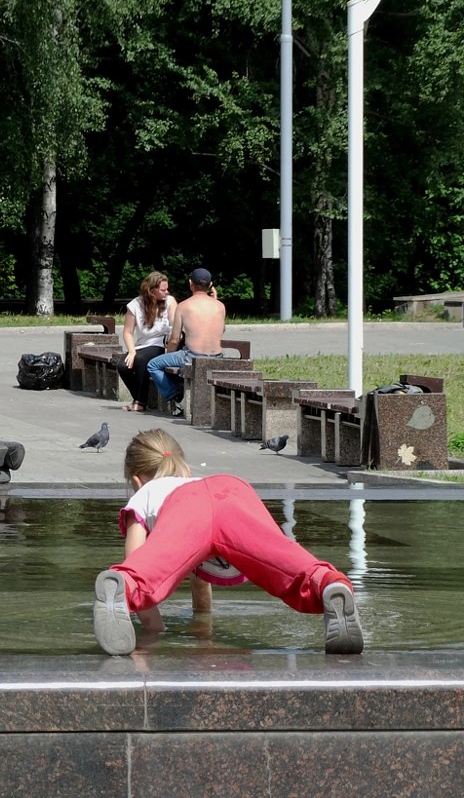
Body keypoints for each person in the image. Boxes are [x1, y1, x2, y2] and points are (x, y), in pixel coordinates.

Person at [92, 429, 365, 656]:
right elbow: (200, 583)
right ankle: (328, 584)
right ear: (181, 466)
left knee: (142, 575)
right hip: (233, 490)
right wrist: (203, 625)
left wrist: (155, 635)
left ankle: (123, 588)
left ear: (137, 480)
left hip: (188, 508)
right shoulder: (193, 481)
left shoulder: (146, 495)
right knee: (286, 563)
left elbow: (141, 566)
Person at [146, 267, 226, 417]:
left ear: (191, 283)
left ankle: (176, 397)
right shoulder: (220, 306)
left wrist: (169, 354)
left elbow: (174, 338)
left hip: (191, 356)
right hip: (217, 357)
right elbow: (221, 330)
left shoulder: (183, 306)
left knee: (153, 365)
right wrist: (214, 300)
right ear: (210, 285)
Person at [117, 271, 177, 412]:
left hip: (160, 344)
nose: (167, 292)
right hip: (142, 345)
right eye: (163, 290)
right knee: (122, 365)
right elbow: (127, 332)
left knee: (142, 360)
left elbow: (175, 326)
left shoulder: (170, 302)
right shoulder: (135, 305)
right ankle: (138, 398)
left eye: (167, 289)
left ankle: (140, 402)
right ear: (151, 290)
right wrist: (131, 351)